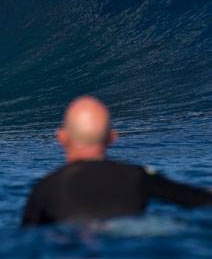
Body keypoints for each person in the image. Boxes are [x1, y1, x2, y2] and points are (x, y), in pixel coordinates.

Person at [21, 96, 212, 226]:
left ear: (62, 137)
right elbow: (200, 200)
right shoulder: (137, 177)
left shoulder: (46, 188)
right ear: (112, 137)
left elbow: (26, 239)